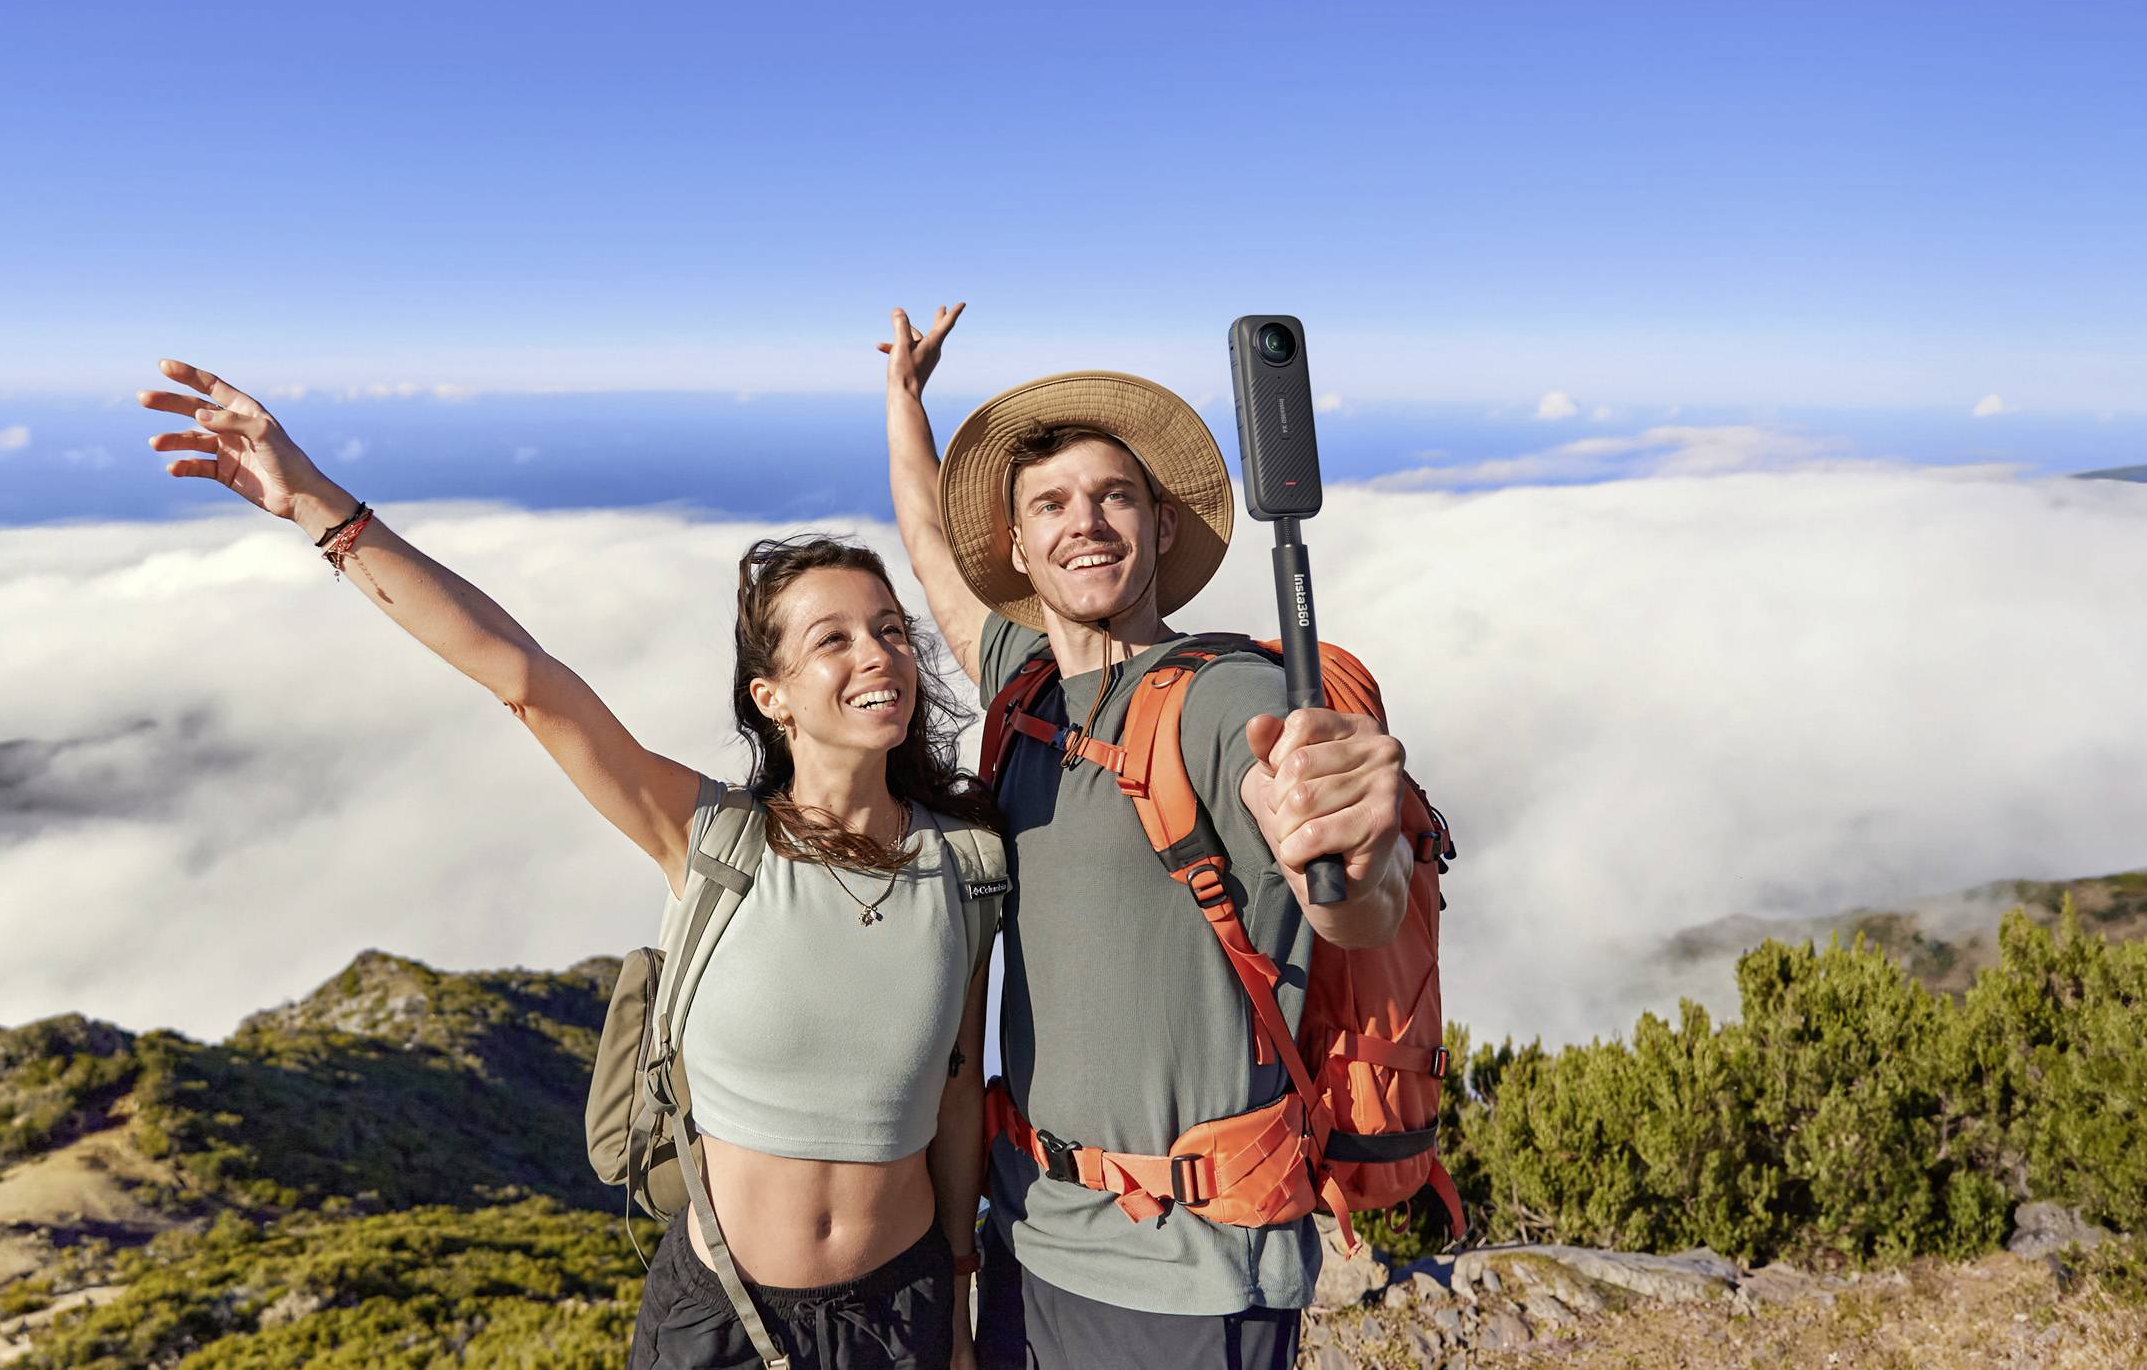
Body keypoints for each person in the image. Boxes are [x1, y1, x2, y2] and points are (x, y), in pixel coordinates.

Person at [135, 359, 993, 1370]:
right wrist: (319, 507)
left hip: (901, 1314)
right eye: (833, 639)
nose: (879, 655)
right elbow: (525, 680)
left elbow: (953, 1090)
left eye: (890, 630)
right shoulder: (709, 836)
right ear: (772, 696)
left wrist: (961, 1295)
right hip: (718, 1313)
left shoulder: (966, 864)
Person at [876, 309, 1417, 1368]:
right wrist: (904, 398)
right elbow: (928, 551)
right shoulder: (1024, 689)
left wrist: (1357, 853)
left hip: (1186, 1273)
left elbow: (1350, 897)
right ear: (1020, 548)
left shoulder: (1226, 699)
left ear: (1160, 529)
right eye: (1051, 504)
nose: (1084, 521)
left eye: (1113, 495)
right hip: (1028, 1235)